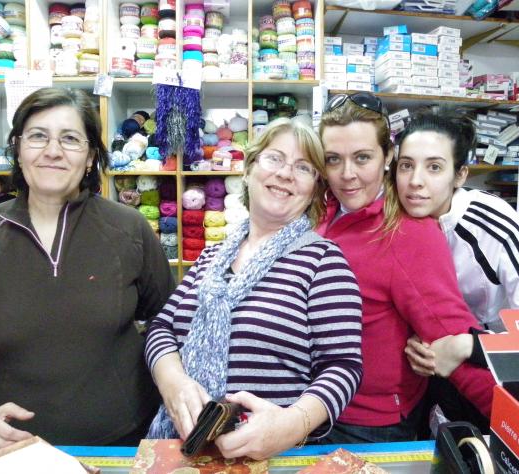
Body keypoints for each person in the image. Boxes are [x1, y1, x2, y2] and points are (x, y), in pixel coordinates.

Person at [0, 87, 173, 456]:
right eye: (38, 136)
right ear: (18, 149)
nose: (53, 151)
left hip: (122, 443)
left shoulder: (129, 229)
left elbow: (170, 322)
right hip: (11, 448)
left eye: (70, 138)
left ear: (90, 157)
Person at [144, 117, 363, 460]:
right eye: (275, 158)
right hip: (184, 450)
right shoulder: (212, 256)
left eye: (303, 167)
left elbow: (343, 366)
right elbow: (161, 328)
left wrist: (293, 424)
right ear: (248, 170)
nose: (286, 173)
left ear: (314, 189)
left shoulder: (323, 260)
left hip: (274, 459)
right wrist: (172, 382)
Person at [317, 92, 495, 443]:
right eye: (333, 159)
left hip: (364, 424)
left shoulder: (407, 234)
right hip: (312, 406)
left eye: (362, 157)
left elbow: (449, 334)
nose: (347, 174)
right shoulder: (324, 210)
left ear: (387, 156)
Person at [390, 110, 519, 429]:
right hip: (435, 376)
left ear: (460, 175)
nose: (415, 181)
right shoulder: (395, 221)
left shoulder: (491, 223)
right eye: (407, 165)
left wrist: (467, 345)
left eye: (434, 167)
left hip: (503, 370)